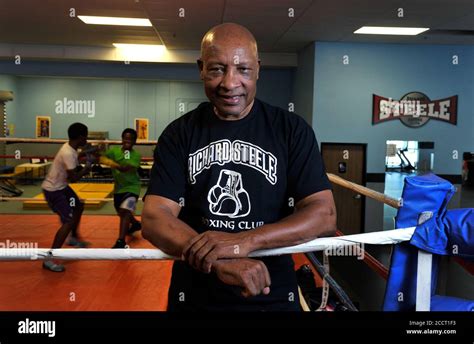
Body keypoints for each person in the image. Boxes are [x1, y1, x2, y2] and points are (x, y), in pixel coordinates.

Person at [142, 23, 337, 311]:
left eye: (243, 70)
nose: (230, 83)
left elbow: (324, 215)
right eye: (217, 69)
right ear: (201, 68)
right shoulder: (179, 133)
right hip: (195, 297)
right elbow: (154, 217)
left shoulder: (291, 130)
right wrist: (223, 258)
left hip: (271, 293)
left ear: (258, 69)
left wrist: (245, 241)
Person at [41, 122, 92, 272]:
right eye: (86, 136)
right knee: (68, 221)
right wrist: (88, 167)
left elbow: (77, 156)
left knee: (78, 206)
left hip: (62, 187)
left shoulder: (71, 147)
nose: (87, 140)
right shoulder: (68, 153)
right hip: (54, 191)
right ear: (81, 137)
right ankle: (49, 259)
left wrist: (92, 150)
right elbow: (74, 178)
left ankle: (73, 238)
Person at [103, 128, 142, 248]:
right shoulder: (114, 152)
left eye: (130, 139)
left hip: (133, 188)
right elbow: (101, 157)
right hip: (119, 189)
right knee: (121, 211)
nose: (127, 141)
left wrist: (111, 163)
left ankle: (121, 241)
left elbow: (126, 167)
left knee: (125, 211)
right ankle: (135, 223)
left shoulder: (136, 156)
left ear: (135, 141)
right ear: (122, 139)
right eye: (125, 138)